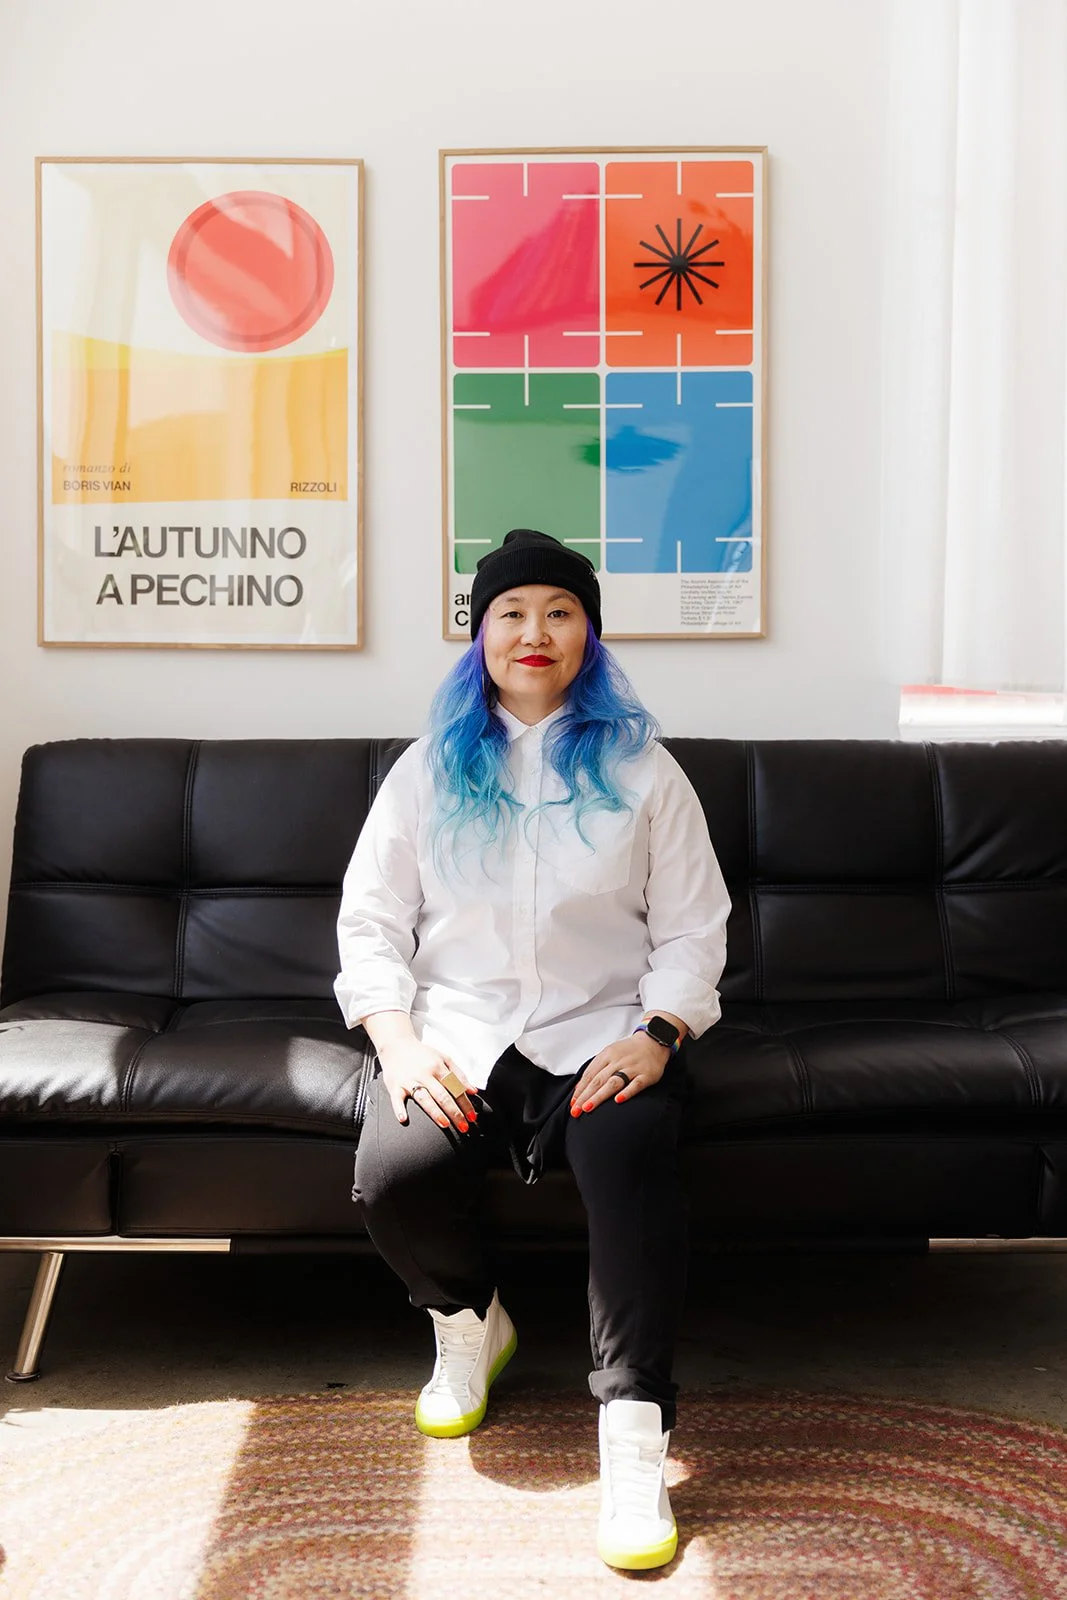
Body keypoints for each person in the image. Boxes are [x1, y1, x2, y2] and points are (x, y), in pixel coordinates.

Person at [335, 528, 730, 1571]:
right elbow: (368, 922)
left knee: (629, 1160)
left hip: (600, 1039)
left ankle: (635, 1433)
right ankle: (468, 1321)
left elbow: (693, 930)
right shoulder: (423, 773)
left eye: (558, 611)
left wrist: (657, 1034)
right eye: (510, 613)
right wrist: (398, 1039)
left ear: (588, 636)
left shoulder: (646, 774)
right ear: (479, 637)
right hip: (457, 1040)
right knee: (392, 1174)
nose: (533, 632)